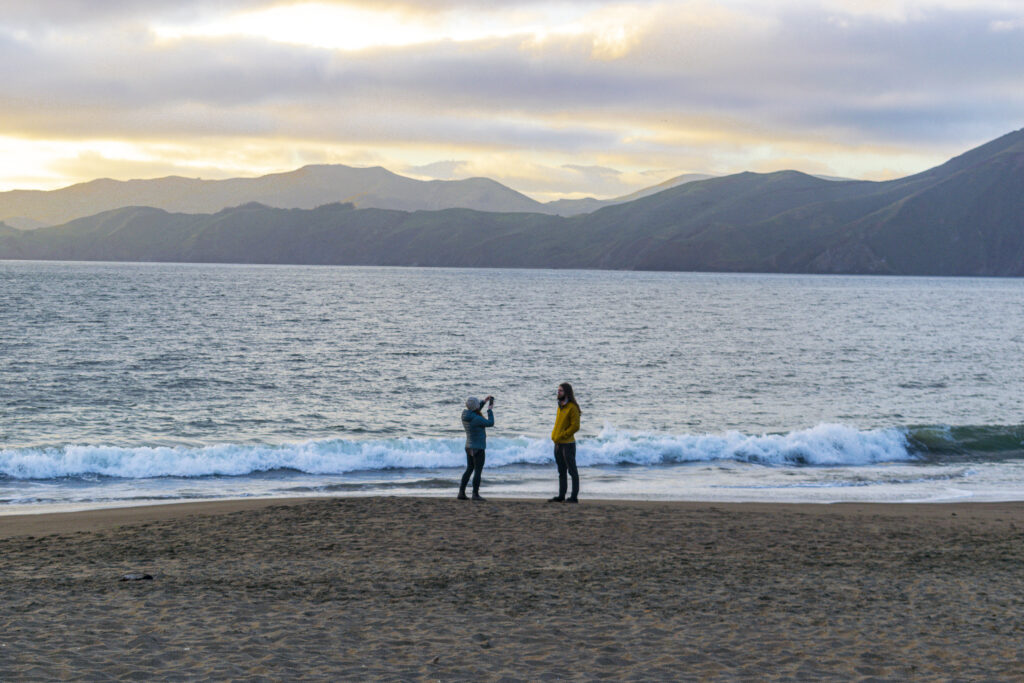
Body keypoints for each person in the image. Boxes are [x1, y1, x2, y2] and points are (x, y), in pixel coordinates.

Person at [548, 382, 581, 503]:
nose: (558, 392)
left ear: (567, 393)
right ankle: (561, 495)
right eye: (558, 390)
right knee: (561, 471)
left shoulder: (572, 407)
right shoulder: (560, 406)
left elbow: (576, 426)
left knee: (572, 471)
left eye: (560, 391)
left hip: (568, 444)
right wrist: (555, 436)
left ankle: (574, 497)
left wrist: (563, 435)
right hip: (557, 443)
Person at [459, 395, 494, 501]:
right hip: (478, 447)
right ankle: (475, 494)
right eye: (478, 404)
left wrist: (484, 401)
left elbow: (475, 410)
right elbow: (490, 423)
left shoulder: (465, 415)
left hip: (468, 446)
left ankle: (461, 493)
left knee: (469, 469)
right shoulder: (477, 419)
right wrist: (490, 410)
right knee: (478, 471)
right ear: (475, 407)